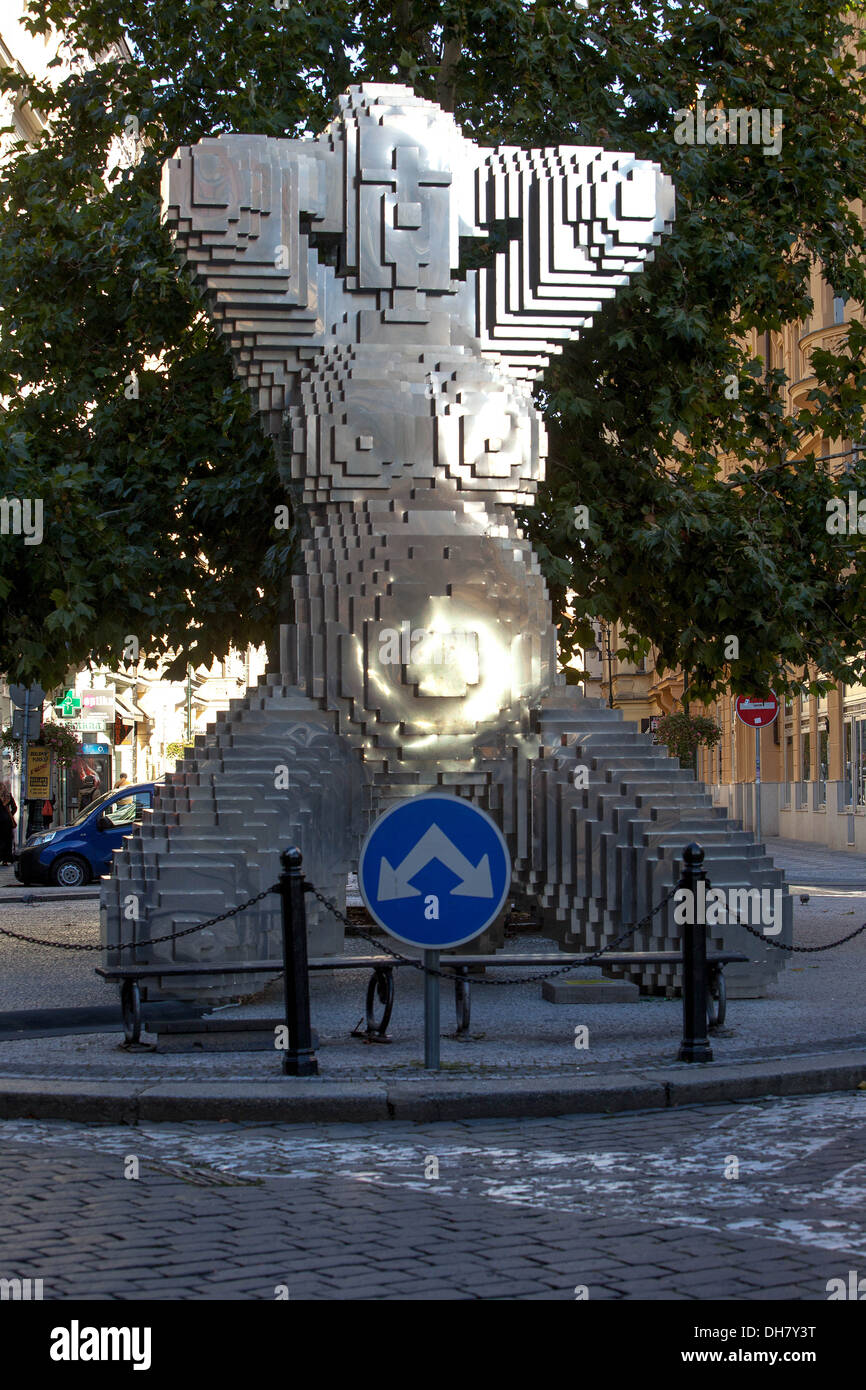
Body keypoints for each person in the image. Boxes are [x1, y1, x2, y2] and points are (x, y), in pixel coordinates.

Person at [0, 782, 17, 864]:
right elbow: (15, 807)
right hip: (7, 821)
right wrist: (10, 814)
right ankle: (6, 860)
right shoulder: (8, 795)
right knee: (7, 840)